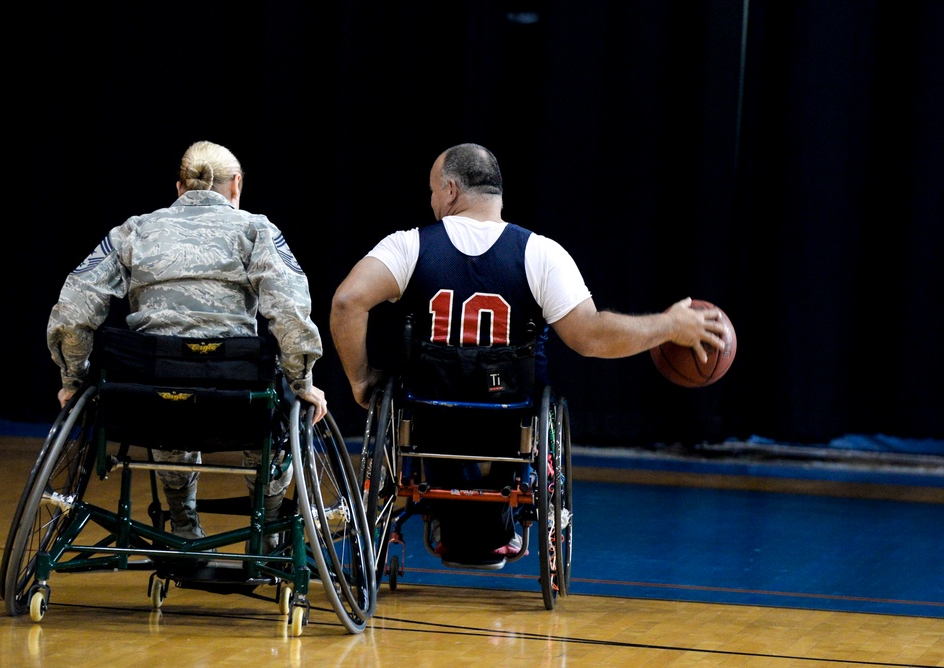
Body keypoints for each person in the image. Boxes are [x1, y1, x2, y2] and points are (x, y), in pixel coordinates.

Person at [329, 142, 728, 563]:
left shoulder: (408, 246)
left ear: (449, 190)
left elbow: (346, 302)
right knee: (524, 398)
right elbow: (591, 337)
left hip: (431, 420)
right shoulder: (541, 253)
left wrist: (360, 379)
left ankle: (455, 523)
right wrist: (668, 325)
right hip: (509, 422)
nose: (431, 202)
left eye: (431, 191)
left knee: (423, 407)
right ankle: (497, 526)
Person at [47, 140, 327, 549]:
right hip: (238, 396)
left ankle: (182, 524)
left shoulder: (134, 231)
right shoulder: (256, 230)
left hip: (153, 396)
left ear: (180, 188)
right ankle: (265, 529)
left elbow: (73, 308)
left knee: (170, 396)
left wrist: (72, 377)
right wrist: (302, 382)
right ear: (237, 186)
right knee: (274, 406)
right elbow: (290, 312)